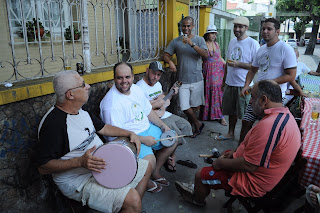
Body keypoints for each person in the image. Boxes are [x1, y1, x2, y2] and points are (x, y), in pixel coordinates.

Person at [36, 70, 152, 213]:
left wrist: (129, 133)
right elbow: (43, 167)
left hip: (101, 166)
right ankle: (132, 206)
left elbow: (103, 128)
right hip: (79, 180)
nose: (88, 86)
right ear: (70, 94)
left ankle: (130, 208)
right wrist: (79, 162)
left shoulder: (81, 111)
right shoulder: (54, 125)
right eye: (83, 84)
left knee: (145, 168)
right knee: (132, 199)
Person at [175, 80, 301, 206]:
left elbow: (249, 166)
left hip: (253, 182)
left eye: (252, 97)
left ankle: (198, 199)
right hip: (263, 172)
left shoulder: (269, 127)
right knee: (226, 154)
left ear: (264, 100)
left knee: (200, 175)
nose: (250, 101)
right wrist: (234, 153)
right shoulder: (284, 115)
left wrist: (220, 163)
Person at [100, 62, 178, 193]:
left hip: (146, 128)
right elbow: (114, 138)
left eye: (127, 77)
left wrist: (163, 125)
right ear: (114, 78)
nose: (124, 81)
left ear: (133, 76)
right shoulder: (111, 104)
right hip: (127, 139)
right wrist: (142, 139)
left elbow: (148, 112)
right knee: (149, 161)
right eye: (120, 78)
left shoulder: (136, 89)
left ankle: (155, 172)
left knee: (172, 139)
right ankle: (145, 181)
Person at [239, 18, 297, 143]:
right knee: (246, 122)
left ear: (277, 31)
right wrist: (246, 85)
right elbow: (252, 70)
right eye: (263, 29)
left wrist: (268, 83)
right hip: (257, 95)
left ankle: (259, 156)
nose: (265, 31)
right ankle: (239, 151)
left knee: (267, 129)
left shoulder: (285, 49)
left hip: (274, 98)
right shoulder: (261, 49)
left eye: (269, 29)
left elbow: (291, 76)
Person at [136, 61, 193, 172]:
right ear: (147, 71)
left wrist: (171, 93)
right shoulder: (139, 87)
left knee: (186, 126)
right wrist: (157, 104)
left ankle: (169, 153)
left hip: (164, 114)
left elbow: (164, 101)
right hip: (153, 118)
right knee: (175, 133)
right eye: (153, 73)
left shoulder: (158, 84)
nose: (155, 77)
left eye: (159, 75)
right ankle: (170, 158)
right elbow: (141, 109)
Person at [163, 16, 208, 138]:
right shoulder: (176, 41)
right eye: (184, 26)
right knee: (184, 106)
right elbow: (165, 55)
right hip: (182, 80)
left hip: (197, 79)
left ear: (193, 26)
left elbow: (206, 55)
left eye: (188, 26)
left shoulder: (199, 40)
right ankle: (197, 124)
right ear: (181, 27)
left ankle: (193, 127)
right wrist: (171, 62)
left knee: (195, 106)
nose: (186, 28)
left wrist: (191, 44)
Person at [216, 16, 260, 141]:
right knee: (231, 111)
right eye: (235, 26)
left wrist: (238, 64)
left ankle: (246, 138)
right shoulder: (232, 42)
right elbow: (227, 64)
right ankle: (230, 133)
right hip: (230, 82)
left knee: (246, 113)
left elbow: (257, 66)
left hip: (244, 85)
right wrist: (224, 80)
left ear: (246, 28)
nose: (237, 29)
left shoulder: (253, 43)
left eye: (240, 27)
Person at [199, 24, 227, 125]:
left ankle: (219, 115)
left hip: (218, 71)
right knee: (209, 91)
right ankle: (208, 114)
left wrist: (226, 65)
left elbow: (219, 57)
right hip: (208, 71)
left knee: (218, 92)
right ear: (207, 35)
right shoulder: (204, 44)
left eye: (215, 33)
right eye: (211, 33)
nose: (213, 35)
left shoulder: (217, 44)